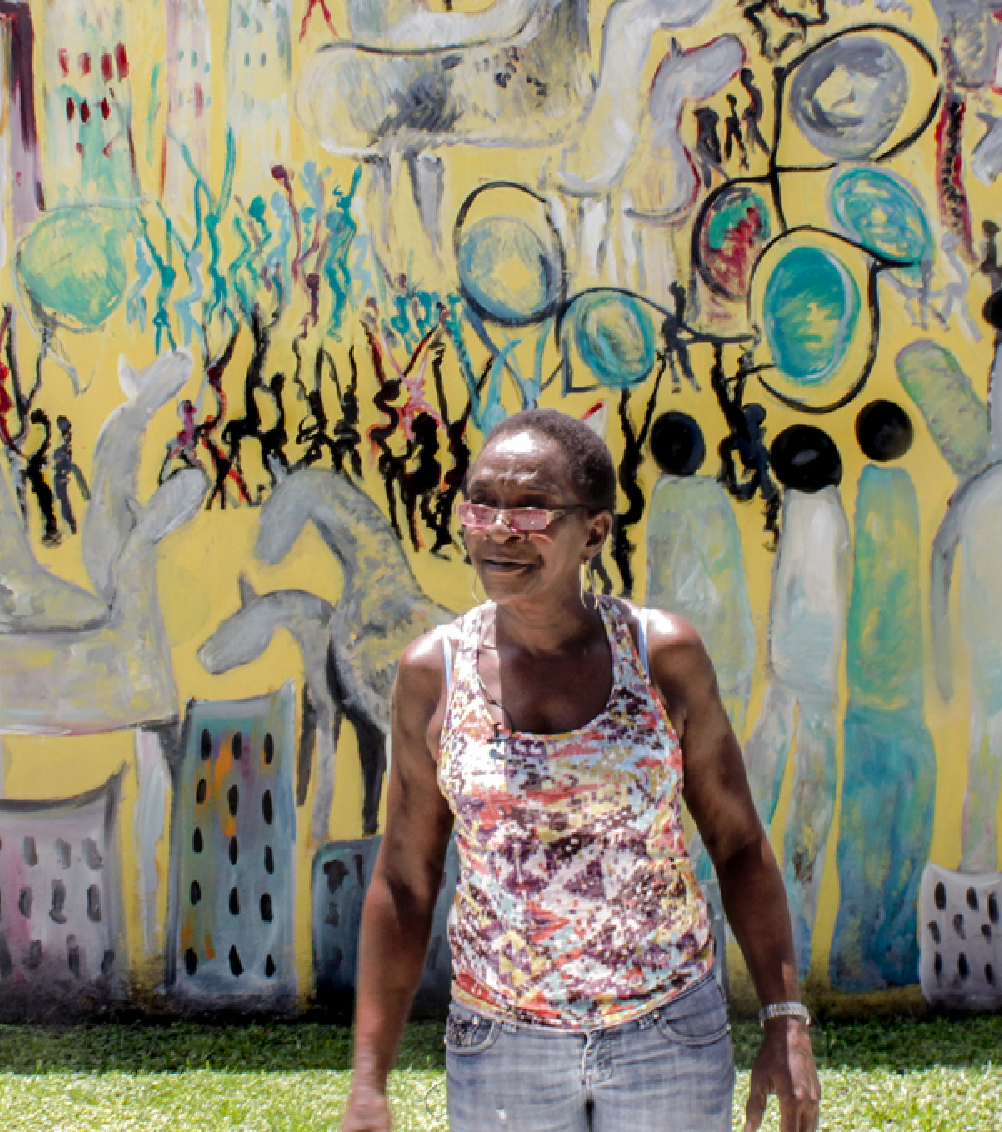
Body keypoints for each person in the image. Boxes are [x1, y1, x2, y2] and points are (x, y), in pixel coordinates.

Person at [340, 408, 821, 1132]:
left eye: (531, 509)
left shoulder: (659, 656)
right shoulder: (434, 673)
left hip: (666, 1036)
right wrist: (368, 1082)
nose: (499, 529)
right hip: (502, 1048)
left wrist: (785, 1019)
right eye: (480, 505)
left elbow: (739, 844)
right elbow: (405, 881)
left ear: (593, 533)